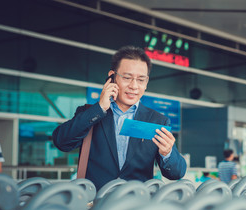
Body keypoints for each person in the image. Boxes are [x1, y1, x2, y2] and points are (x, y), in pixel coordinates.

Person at [53, 46, 187, 190]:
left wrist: (167, 153)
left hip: (136, 203)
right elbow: (61, 142)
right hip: (95, 202)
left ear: (146, 82)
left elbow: (177, 173)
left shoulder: (157, 120)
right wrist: (99, 108)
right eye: (127, 78)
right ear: (112, 76)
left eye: (141, 80)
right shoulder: (89, 113)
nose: (134, 86)